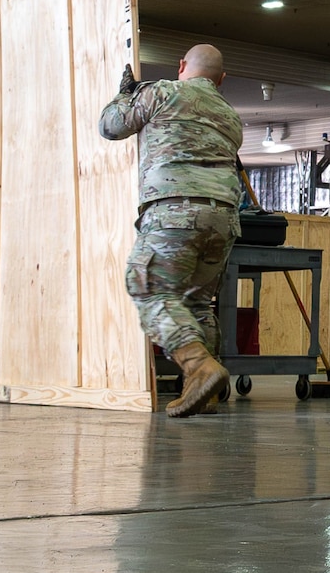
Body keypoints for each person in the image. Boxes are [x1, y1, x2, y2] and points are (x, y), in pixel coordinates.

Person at [101, 45, 244, 418]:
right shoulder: (230, 116)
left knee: (149, 288)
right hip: (223, 218)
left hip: (174, 211)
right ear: (221, 79)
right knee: (196, 304)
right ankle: (204, 395)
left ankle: (199, 367)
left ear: (181, 66)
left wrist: (125, 94)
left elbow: (112, 127)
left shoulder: (162, 92)